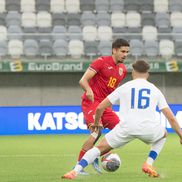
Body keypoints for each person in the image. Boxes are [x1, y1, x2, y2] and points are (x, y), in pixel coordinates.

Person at [62, 60, 182, 179]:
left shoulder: (124, 87)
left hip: (125, 128)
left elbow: (100, 107)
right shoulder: (155, 90)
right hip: (148, 128)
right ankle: (148, 163)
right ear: (147, 73)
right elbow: (170, 117)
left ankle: (75, 171)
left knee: (98, 149)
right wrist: (181, 135)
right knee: (163, 135)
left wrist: (96, 122)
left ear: (133, 72)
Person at [76, 38, 130, 174]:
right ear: (114, 50)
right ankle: (79, 166)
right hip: (92, 102)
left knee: (121, 130)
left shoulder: (122, 70)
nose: (125, 54)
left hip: (105, 106)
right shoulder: (101, 62)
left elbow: (112, 90)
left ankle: (95, 154)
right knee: (96, 132)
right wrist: (88, 90)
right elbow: (83, 80)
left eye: (127, 52)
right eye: (123, 51)